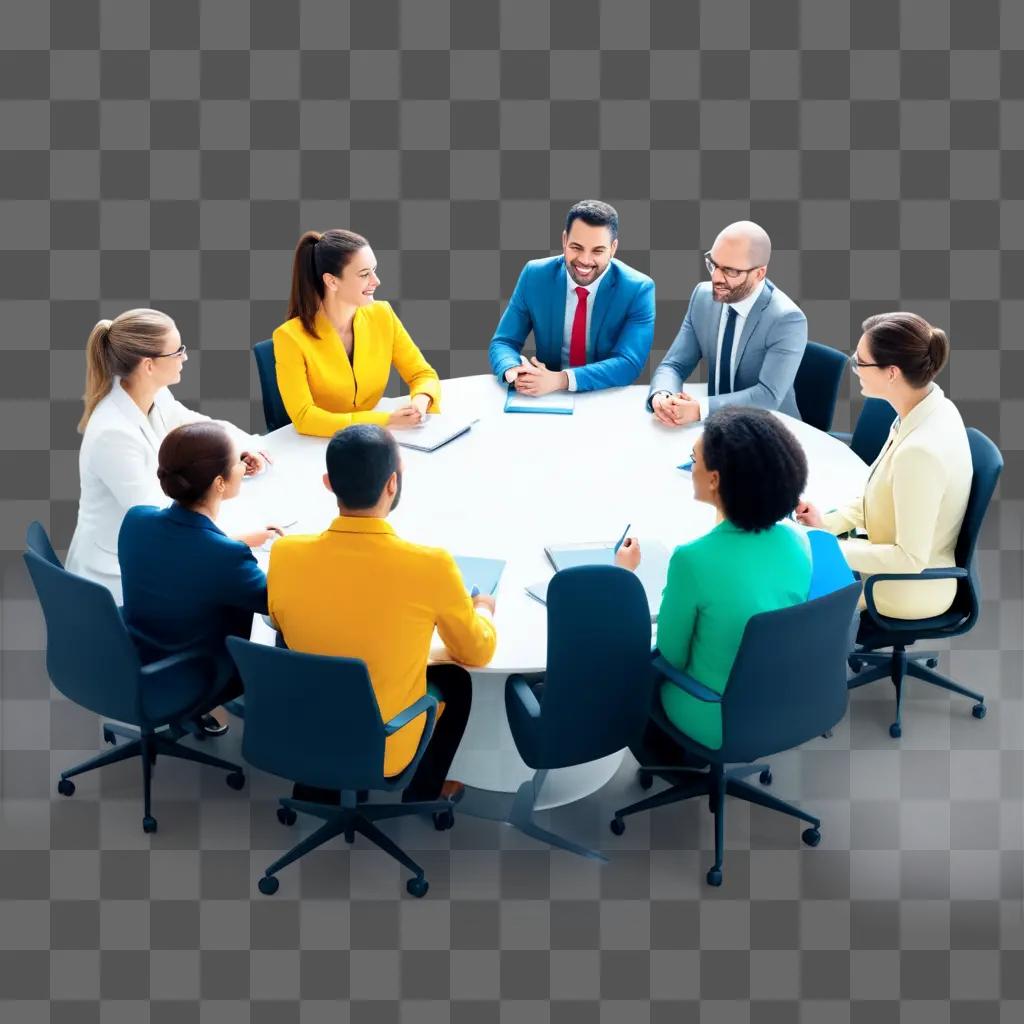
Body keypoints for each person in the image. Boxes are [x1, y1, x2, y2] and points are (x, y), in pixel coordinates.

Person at [267, 424, 497, 805]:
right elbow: (477, 652)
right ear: (392, 484)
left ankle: (316, 784)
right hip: (383, 746)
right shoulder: (430, 565)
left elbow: (280, 623)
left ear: (328, 483)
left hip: (305, 730)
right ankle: (423, 793)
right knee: (457, 682)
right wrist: (483, 610)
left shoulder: (285, 553)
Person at [615, 406, 812, 758]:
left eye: (694, 459)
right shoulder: (799, 542)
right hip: (783, 703)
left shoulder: (693, 560)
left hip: (713, 713)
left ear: (715, 480)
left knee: (628, 660)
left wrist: (622, 577)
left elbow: (670, 656)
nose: (691, 467)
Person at [67, 308, 268, 604]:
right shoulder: (113, 434)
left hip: (154, 547)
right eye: (177, 352)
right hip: (119, 577)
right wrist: (234, 542)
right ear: (148, 365)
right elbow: (159, 524)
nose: (184, 357)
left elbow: (194, 423)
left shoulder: (152, 394)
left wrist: (240, 448)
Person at [795, 312, 971, 620]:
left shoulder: (920, 453)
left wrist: (825, 547)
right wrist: (825, 526)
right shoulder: (928, 407)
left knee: (782, 593)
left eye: (860, 362)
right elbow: (882, 497)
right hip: (886, 555)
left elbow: (909, 559)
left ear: (891, 373)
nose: (855, 369)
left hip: (904, 587)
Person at [118, 422, 280, 736]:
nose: (242, 466)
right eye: (238, 462)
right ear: (219, 483)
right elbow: (276, 603)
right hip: (198, 669)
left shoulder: (136, 519)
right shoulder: (226, 558)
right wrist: (292, 552)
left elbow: (183, 548)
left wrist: (239, 539)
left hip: (133, 652)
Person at [273, 229, 441, 437]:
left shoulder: (383, 315)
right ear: (332, 281)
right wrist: (386, 421)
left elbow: (422, 374)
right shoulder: (289, 337)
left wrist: (420, 401)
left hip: (379, 441)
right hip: (319, 445)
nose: (376, 281)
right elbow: (305, 417)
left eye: (374, 270)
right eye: (364, 274)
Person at [488, 200, 655, 394]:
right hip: (545, 396)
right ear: (564, 240)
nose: (584, 260)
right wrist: (512, 369)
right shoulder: (534, 275)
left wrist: (561, 379)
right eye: (576, 247)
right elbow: (504, 342)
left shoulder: (638, 289)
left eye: (597, 251)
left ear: (613, 248)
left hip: (604, 396)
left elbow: (629, 363)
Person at [648, 221, 807, 425]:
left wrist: (700, 409)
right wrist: (663, 396)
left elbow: (767, 395)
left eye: (730, 271)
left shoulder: (786, 319)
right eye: (713, 265)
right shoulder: (703, 297)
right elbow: (674, 364)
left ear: (759, 273)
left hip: (770, 432)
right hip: (716, 429)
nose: (716, 278)